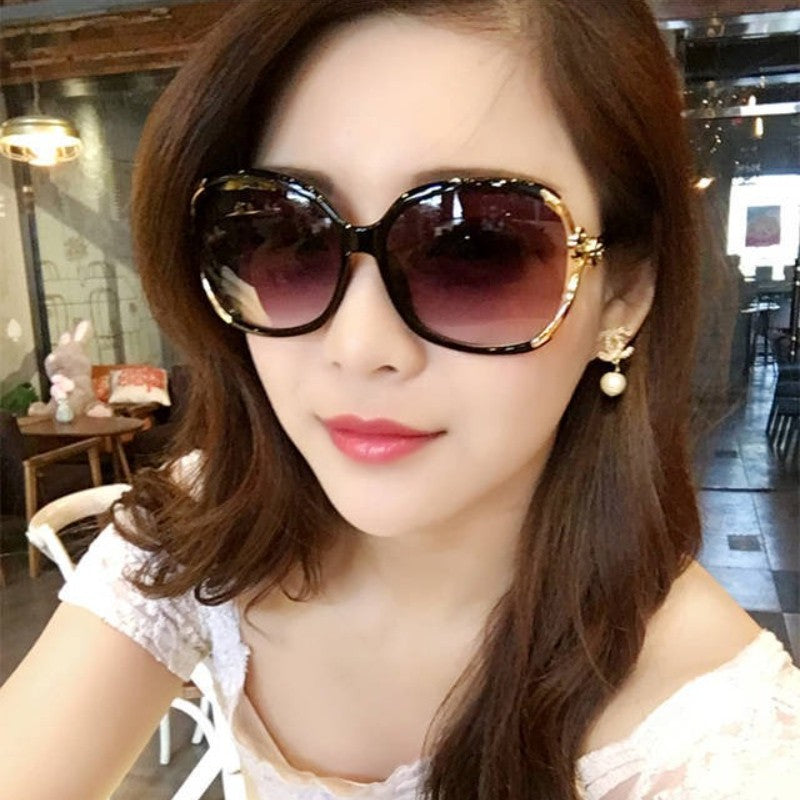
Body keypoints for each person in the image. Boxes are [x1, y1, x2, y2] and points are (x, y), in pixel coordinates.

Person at [1, 1, 798, 798]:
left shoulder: (725, 744)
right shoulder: (210, 525)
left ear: (621, 293)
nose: (357, 346)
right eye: (287, 239)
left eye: (476, 250)